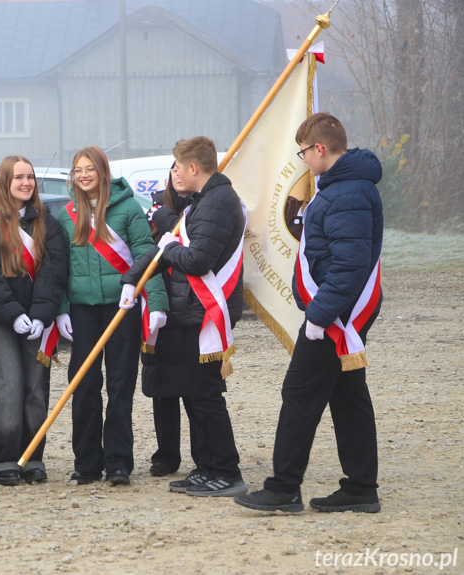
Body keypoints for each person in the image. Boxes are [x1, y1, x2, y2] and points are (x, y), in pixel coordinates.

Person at [235, 112, 383, 513]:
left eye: (303, 153)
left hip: (334, 317)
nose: (303, 161)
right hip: (336, 312)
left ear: (320, 148)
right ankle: (360, 488)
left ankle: (283, 488)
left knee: (299, 394)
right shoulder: (342, 187)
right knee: (348, 396)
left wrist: (318, 316)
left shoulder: (347, 193)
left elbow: (350, 265)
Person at [123, 136, 247, 497]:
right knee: (197, 393)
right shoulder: (204, 201)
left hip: (204, 311)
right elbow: (169, 249)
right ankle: (207, 466)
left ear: (193, 168)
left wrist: (172, 246)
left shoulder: (217, 202)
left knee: (206, 396)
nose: (174, 173)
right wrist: (133, 278)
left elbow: (197, 260)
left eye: (177, 166)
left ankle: (226, 470)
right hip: (194, 310)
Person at [55, 145, 168, 486]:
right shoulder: (66, 216)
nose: (84, 175)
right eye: (78, 170)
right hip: (83, 311)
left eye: (90, 168)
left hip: (122, 308)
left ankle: (118, 462)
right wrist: (61, 310)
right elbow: (58, 269)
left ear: (103, 172)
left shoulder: (129, 208)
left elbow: (146, 255)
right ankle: (86, 463)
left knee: (120, 386)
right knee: (84, 385)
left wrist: (156, 301)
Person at [0, 156, 68, 486]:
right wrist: (14, 314)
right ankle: (5, 457)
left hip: (36, 321)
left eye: (30, 177)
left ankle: (32, 457)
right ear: (4, 181)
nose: (26, 183)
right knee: (6, 386)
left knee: (36, 390)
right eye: (18, 177)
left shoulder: (47, 224)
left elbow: (53, 272)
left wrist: (40, 315)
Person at [138, 159, 203, 478]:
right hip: (159, 314)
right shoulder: (153, 214)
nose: (177, 176)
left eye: (182, 170)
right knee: (162, 389)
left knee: (195, 391)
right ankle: (166, 454)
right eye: (172, 172)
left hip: (191, 312)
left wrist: (170, 223)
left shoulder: (199, 208)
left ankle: (203, 454)